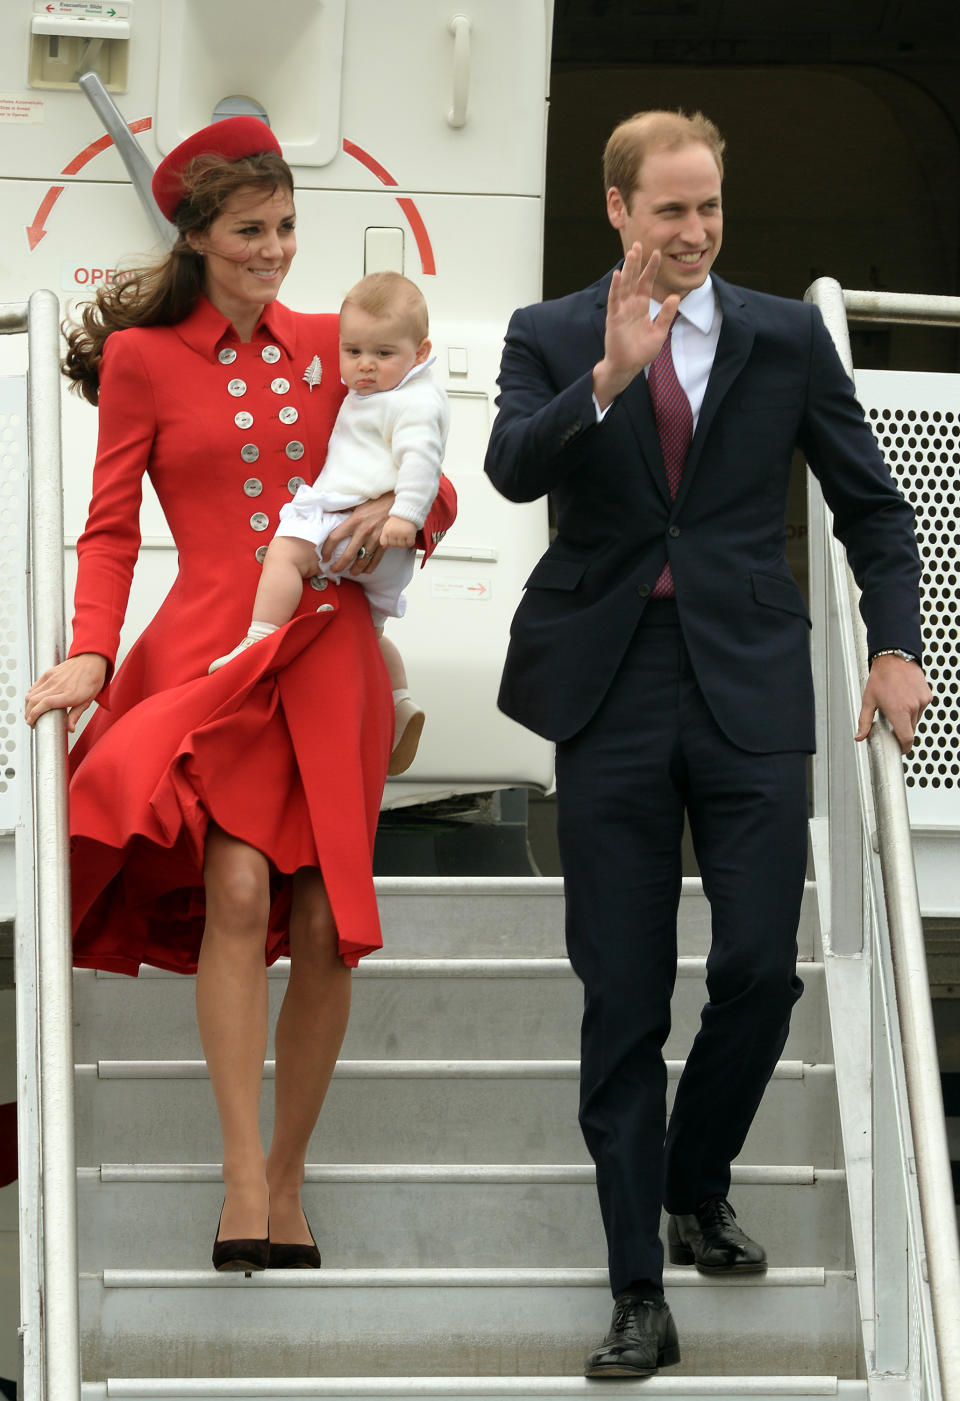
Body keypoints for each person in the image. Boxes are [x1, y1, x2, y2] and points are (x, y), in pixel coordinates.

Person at [484, 108, 930, 1378]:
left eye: (710, 209)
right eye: (670, 209)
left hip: (743, 683)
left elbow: (873, 507)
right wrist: (609, 378)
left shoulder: (786, 334)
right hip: (608, 691)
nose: (694, 231)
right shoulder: (551, 333)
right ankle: (638, 1290)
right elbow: (515, 468)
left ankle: (695, 1178)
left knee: (759, 970)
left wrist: (896, 647)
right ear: (617, 209)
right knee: (621, 1002)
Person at [23, 116, 457, 1274]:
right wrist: (93, 654)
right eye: (252, 230)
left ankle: (296, 1173)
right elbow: (111, 531)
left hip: (331, 651)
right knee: (232, 883)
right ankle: (241, 1176)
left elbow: (428, 450)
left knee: (322, 924)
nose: (276, 250)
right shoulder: (143, 358)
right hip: (212, 653)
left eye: (287, 228)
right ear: (200, 235)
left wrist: (404, 518)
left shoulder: (340, 341)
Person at [210, 270, 449, 776]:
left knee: (285, 554)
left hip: (352, 528)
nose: (364, 366)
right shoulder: (386, 377)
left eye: (382, 355)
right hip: (382, 555)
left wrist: (404, 513)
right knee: (371, 632)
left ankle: (257, 639)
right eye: (354, 352)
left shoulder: (409, 398)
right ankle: (401, 701)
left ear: (420, 353)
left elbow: (428, 466)